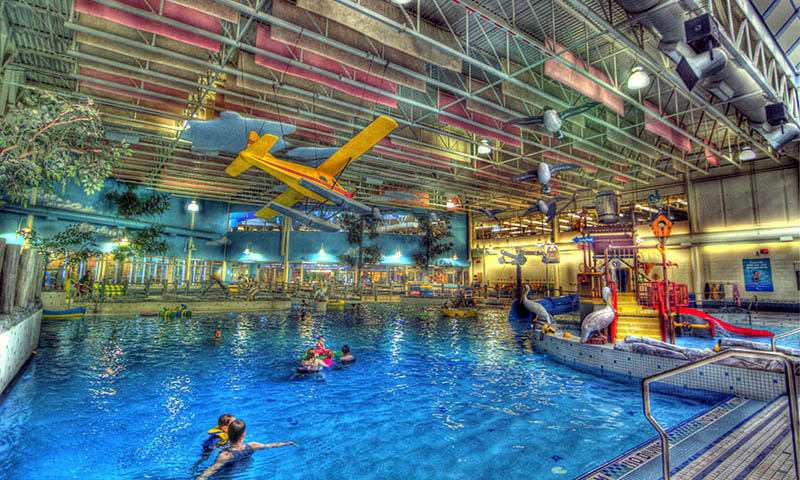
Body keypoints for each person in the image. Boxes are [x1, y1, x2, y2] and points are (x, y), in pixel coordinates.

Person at [196, 419, 296, 480]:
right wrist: (288, 443)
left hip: (227, 476)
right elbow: (272, 445)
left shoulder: (225, 455)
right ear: (244, 434)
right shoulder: (253, 445)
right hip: (245, 469)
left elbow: (207, 473)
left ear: (228, 435)